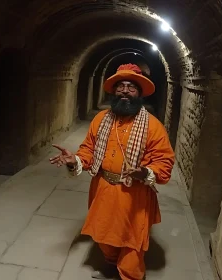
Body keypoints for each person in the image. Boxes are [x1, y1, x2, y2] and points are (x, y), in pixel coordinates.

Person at [50, 63, 175, 280]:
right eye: (120, 86)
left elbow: (164, 162)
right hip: (103, 188)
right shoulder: (100, 120)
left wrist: (145, 172)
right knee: (104, 233)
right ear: (114, 91)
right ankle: (111, 265)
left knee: (132, 241)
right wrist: (74, 160)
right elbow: (88, 150)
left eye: (131, 87)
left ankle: (130, 276)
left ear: (139, 93)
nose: (125, 91)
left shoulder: (153, 126)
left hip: (134, 195)